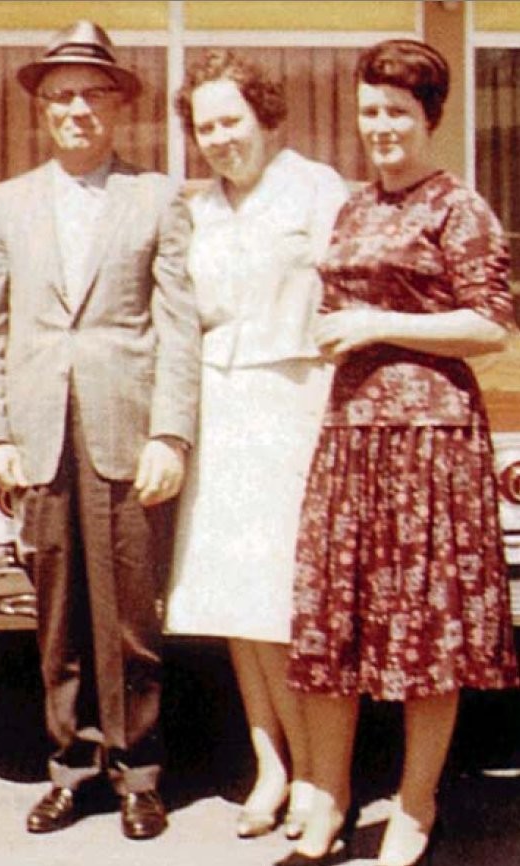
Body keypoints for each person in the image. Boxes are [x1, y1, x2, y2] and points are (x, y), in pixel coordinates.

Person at [282, 39, 518, 866]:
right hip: (351, 434)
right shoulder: (353, 208)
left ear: (430, 117)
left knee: (427, 626)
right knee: (333, 620)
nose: (380, 126)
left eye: (397, 112)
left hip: (430, 441)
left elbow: (491, 324)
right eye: (369, 111)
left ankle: (416, 805)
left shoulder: (459, 207)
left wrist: (378, 324)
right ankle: (330, 798)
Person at [0, 20, 200, 841]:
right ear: (42, 108)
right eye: (60, 96)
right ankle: (71, 767)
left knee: (131, 618)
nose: (76, 110)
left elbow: (179, 326)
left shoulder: (157, 197)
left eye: (92, 94)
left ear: (117, 105)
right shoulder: (8, 202)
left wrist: (171, 433)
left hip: (125, 430)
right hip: (39, 438)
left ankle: (139, 773)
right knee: (56, 618)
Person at [163, 50, 348, 841]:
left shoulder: (317, 189)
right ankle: (270, 763)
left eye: (231, 120)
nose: (219, 138)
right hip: (222, 408)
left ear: (267, 118)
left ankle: (315, 774)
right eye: (205, 127)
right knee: (237, 603)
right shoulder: (197, 209)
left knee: (285, 602)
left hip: (295, 403)